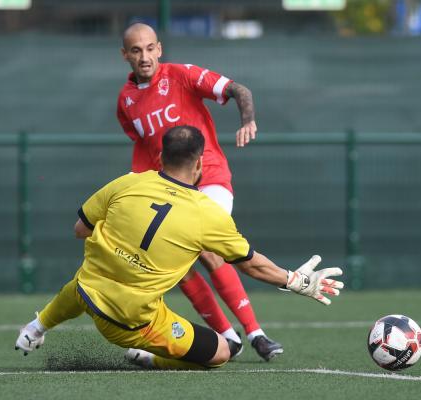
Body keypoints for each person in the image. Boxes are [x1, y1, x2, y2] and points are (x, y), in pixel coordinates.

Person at [14, 126, 344, 370]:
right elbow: (251, 265)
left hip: (87, 295)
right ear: (200, 163)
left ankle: (36, 327)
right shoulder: (207, 214)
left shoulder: (128, 182)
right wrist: (300, 282)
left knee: (90, 278)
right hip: (132, 326)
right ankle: (149, 358)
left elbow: (79, 230)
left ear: (159, 156)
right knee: (222, 352)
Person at [115, 22, 280, 360]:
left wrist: (247, 119)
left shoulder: (181, 75)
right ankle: (229, 337)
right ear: (125, 55)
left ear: (159, 48)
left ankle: (255, 333)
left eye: (149, 48)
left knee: (206, 250)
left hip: (210, 178)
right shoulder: (126, 101)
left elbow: (239, 89)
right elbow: (146, 152)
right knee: (177, 264)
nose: (144, 56)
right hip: (170, 189)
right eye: (136, 50)